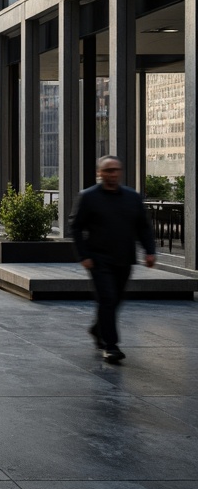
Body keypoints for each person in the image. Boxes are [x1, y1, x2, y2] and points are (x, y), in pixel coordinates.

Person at [69, 155, 156, 364]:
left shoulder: (132, 197)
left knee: (115, 300)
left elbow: (143, 226)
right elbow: (76, 226)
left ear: (120, 172)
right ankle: (111, 346)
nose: (112, 174)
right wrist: (84, 255)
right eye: (107, 170)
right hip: (98, 260)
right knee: (107, 299)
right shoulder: (88, 197)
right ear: (100, 173)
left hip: (124, 258)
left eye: (115, 169)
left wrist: (150, 251)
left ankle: (98, 329)